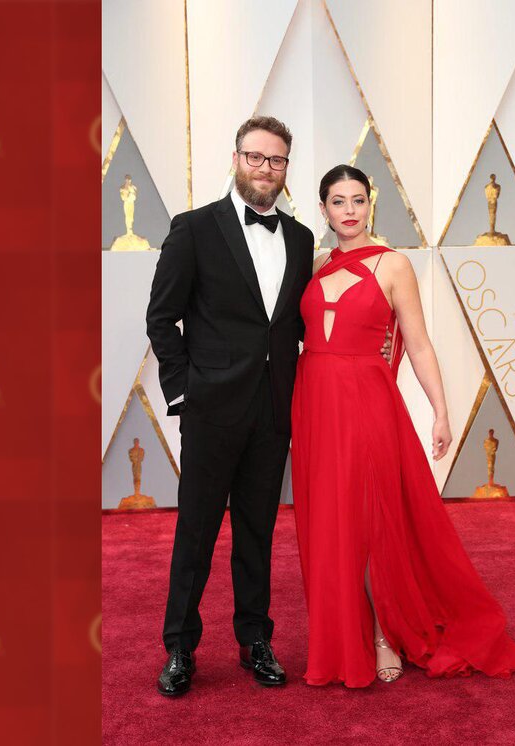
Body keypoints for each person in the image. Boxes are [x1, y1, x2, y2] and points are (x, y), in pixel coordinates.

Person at [290, 165, 515, 687]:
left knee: (371, 519)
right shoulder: (312, 264)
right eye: (338, 201)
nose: (350, 210)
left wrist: (441, 411)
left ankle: (384, 634)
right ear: (323, 208)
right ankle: (342, 635)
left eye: (358, 200)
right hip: (314, 404)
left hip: (366, 401)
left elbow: (418, 344)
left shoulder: (394, 264)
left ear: (371, 203)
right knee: (330, 521)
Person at [144, 116, 311, 697]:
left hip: (272, 410)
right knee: (196, 531)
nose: (266, 168)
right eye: (256, 156)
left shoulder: (301, 238)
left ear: (286, 169)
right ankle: (180, 647)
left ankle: (254, 639)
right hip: (211, 409)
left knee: (257, 532)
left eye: (277, 160)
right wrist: (184, 391)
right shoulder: (194, 228)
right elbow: (161, 318)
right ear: (236, 159)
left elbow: (294, 325)